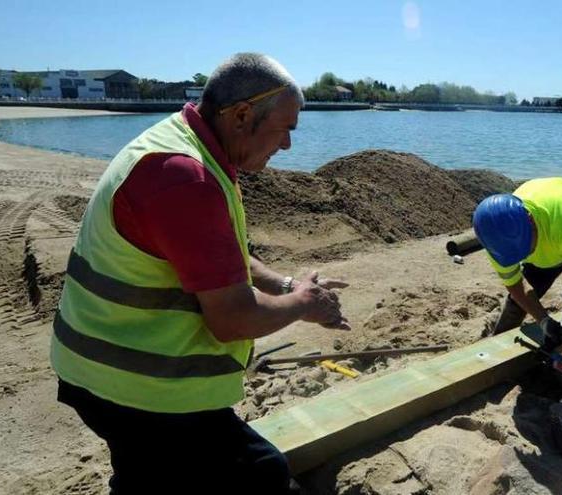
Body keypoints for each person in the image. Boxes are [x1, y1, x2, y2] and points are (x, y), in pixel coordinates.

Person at [50, 53, 349, 494]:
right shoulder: (182, 177)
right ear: (243, 115)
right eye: (286, 128)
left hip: (96, 367)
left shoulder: (187, 145)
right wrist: (305, 304)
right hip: (136, 389)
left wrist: (286, 286)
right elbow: (232, 319)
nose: (287, 145)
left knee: (146, 475)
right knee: (262, 474)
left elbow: (218, 257)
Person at [474, 177, 562, 405]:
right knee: (516, 302)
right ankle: (496, 357)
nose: (520, 257)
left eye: (524, 250)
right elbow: (516, 284)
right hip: (549, 235)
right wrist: (542, 319)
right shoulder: (498, 236)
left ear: (530, 222)